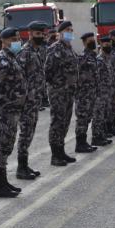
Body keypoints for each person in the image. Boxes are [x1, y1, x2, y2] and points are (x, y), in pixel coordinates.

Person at [0, 27, 26, 198]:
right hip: (4, 111)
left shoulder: (12, 57)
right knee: (1, 147)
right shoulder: (2, 59)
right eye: (13, 39)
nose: (17, 41)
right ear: (4, 41)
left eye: (18, 38)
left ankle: (3, 182)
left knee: (7, 146)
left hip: (13, 110)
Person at [45, 19, 81, 163]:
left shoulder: (69, 48)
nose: (70, 33)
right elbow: (48, 71)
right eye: (67, 30)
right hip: (58, 92)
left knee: (65, 122)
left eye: (71, 30)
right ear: (60, 33)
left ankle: (61, 151)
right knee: (57, 122)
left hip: (69, 92)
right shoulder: (55, 48)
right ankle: (55, 155)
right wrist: (58, 85)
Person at [15, 21, 46, 180]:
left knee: (30, 132)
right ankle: (21, 167)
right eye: (37, 33)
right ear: (30, 34)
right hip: (27, 101)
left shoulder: (37, 51)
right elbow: (19, 78)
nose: (40, 36)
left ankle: (25, 165)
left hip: (35, 100)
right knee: (25, 133)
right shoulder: (25, 52)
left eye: (42, 34)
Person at [93, 35, 115, 146]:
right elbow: (96, 78)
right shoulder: (99, 60)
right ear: (101, 45)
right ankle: (96, 137)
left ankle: (103, 134)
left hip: (108, 91)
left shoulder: (108, 58)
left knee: (106, 113)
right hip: (100, 93)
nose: (108, 46)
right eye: (106, 44)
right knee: (98, 115)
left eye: (109, 44)